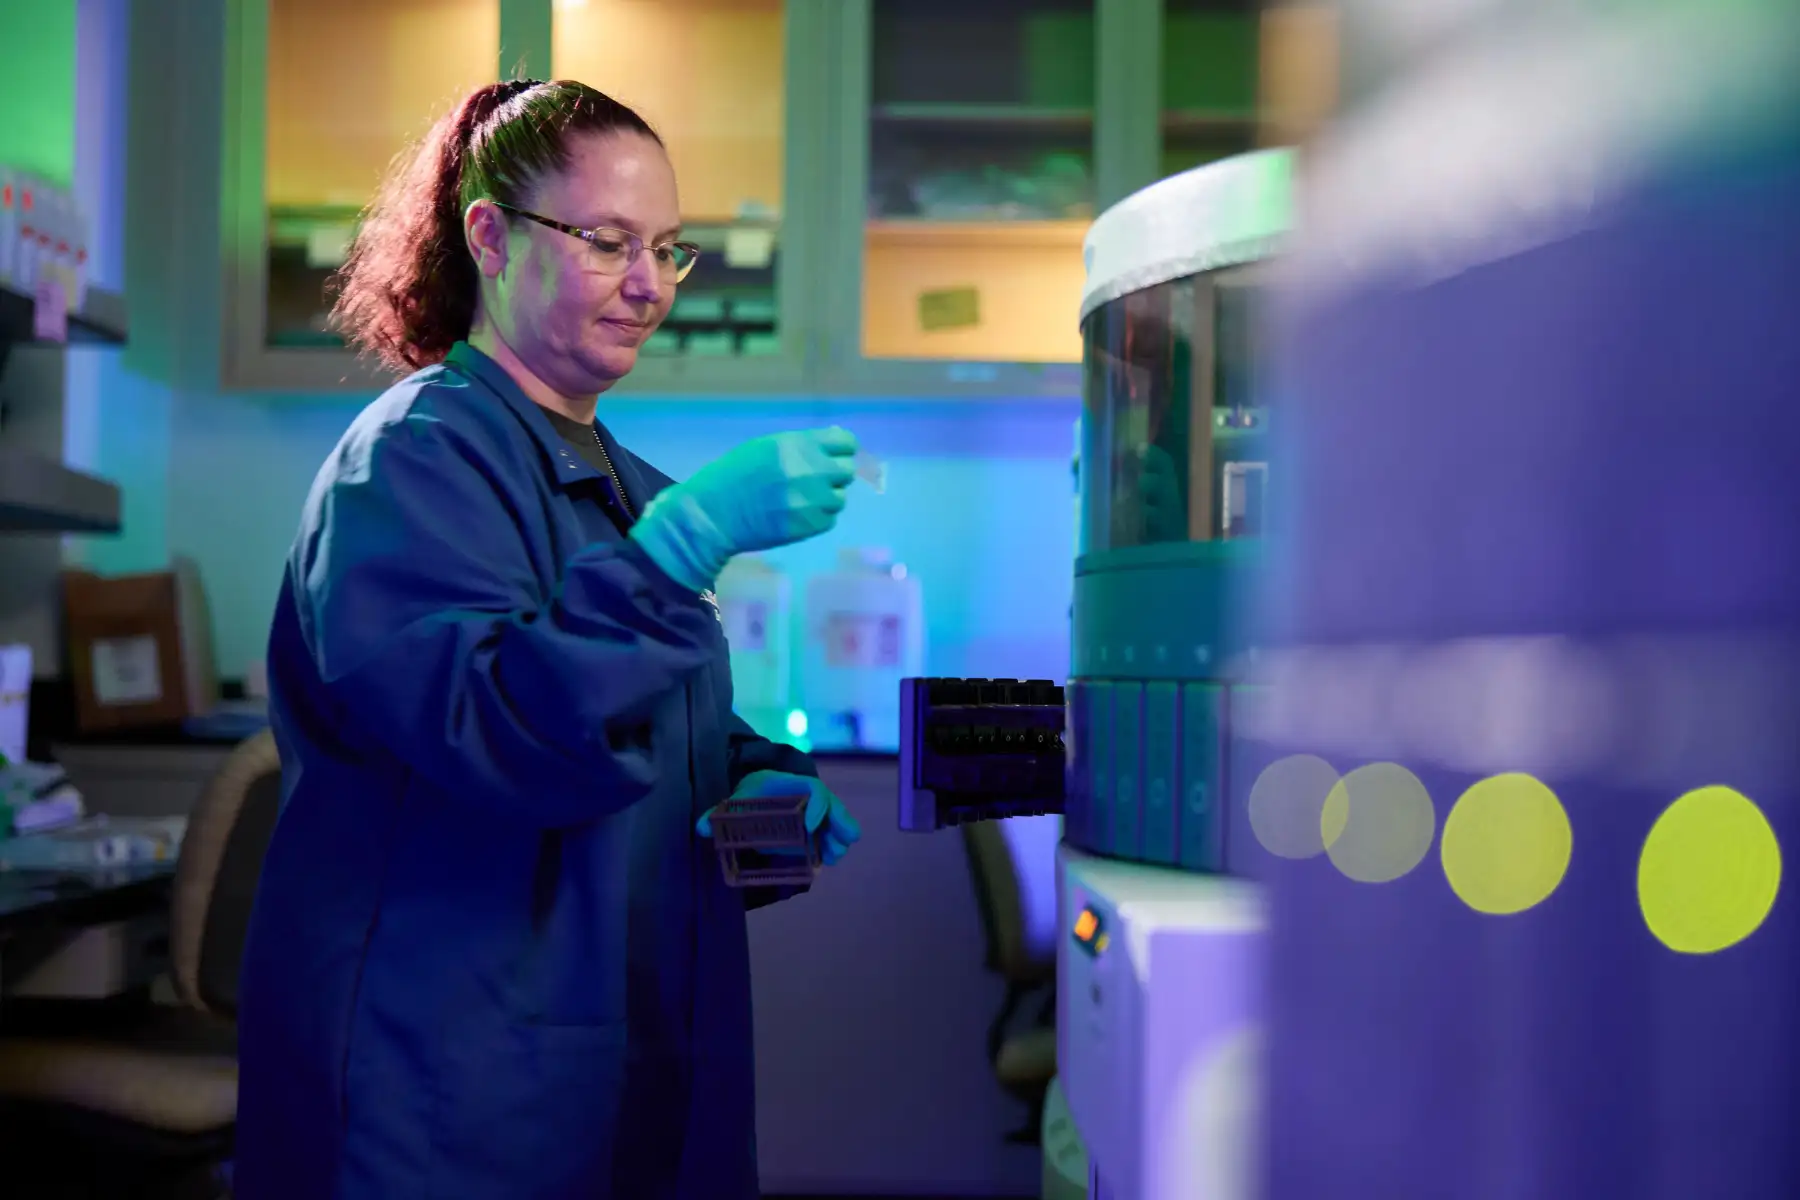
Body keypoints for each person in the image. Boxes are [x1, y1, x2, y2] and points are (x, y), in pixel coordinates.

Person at [234, 79, 863, 1200]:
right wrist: (687, 545)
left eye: (669, 250)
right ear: (489, 235)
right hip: (445, 1077)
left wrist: (756, 783)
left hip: (622, 1055)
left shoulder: (624, 489)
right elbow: (499, 726)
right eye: (607, 241)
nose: (647, 286)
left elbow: (645, 730)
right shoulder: (413, 462)